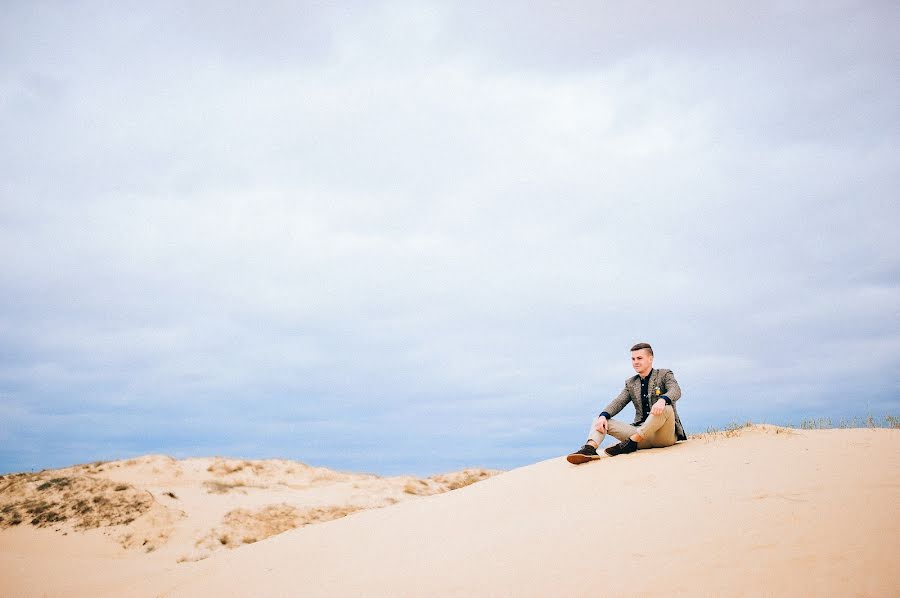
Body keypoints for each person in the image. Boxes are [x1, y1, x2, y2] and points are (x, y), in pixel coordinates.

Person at [567, 342, 686, 464]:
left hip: (663, 436)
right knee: (600, 420)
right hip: (640, 436)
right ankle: (589, 449)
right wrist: (603, 415)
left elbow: (676, 390)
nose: (635, 362)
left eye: (639, 358)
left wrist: (662, 400)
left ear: (650, 359)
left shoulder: (664, 374)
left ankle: (632, 442)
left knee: (666, 408)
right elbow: (618, 402)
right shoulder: (631, 383)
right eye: (633, 359)